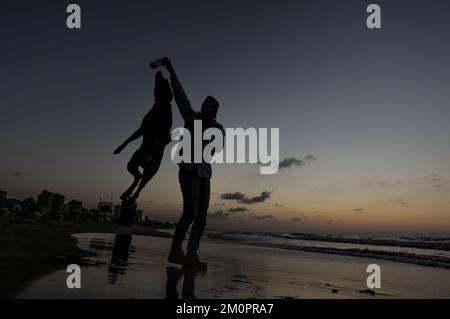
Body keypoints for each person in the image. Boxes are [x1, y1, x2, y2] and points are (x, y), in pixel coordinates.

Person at [160, 57, 224, 270]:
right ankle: (175, 252)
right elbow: (180, 96)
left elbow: (217, 148)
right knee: (190, 210)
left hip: (204, 172)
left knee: (202, 216)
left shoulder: (218, 128)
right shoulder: (191, 118)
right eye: (203, 105)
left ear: (214, 111)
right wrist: (172, 71)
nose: (204, 108)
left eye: (208, 107)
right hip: (188, 170)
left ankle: (192, 255)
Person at [113, 71, 173, 202]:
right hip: (145, 149)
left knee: (146, 176)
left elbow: (166, 137)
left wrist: (155, 151)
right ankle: (136, 182)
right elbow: (141, 130)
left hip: (155, 153)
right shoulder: (153, 111)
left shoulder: (167, 111)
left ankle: (137, 192)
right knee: (130, 166)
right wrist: (124, 144)